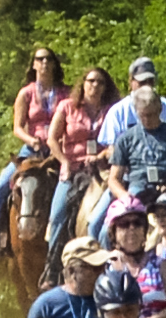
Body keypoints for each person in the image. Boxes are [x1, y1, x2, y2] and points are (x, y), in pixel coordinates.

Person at [88, 86, 166, 242]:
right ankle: (107, 264)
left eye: (152, 114)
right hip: (137, 190)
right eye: (144, 115)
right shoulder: (126, 139)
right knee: (105, 233)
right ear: (137, 113)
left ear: (159, 109)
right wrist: (125, 197)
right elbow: (114, 178)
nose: (148, 119)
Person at [0, 48, 71, 252]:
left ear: (54, 64)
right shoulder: (26, 93)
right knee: (1, 186)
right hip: (31, 150)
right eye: (39, 59)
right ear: (33, 65)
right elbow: (17, 127)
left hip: (57, 152)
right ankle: (0, 234)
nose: (44, 63)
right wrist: (31, 140)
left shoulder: (66, 93)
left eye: (48, 59)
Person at [43, 66, 118, 253]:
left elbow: (115, 144)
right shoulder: (67, 107)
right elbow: (52, 138)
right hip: (73, 168)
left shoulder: (112, 111)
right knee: (58, 214)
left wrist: (100, 156)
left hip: (102, 169)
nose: (95, 85)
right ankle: (52, 266)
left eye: (100, 82)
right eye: (91, 81)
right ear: (83, 84)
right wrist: (64, 161)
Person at [102, 197, 166, 318]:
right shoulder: (106, 268)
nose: (132, 229)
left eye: (137, 223)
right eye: (124, 224)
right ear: (114, 232)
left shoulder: (162, 266)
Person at [95, 56, 166, 148]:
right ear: (131, 81)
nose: (146, 86)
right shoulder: (118, 111)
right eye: (142, 82)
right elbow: (112, 148)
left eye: (150, 81)